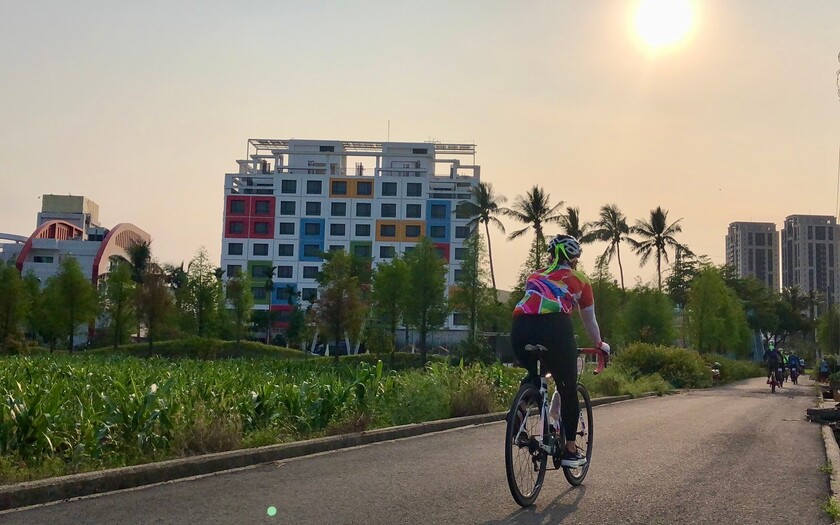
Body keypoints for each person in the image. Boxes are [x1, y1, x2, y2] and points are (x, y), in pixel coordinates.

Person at [510, 234, 610, 468]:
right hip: (555, 328)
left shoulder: (534, 276)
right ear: (574, 259)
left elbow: (534, 305)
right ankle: (570, 450)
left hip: (520, 328)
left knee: (535, 374)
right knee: (567, 388)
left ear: (551, 256)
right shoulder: (580, 280)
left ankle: (519, 413)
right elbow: (589, 321)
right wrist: (599, 344)